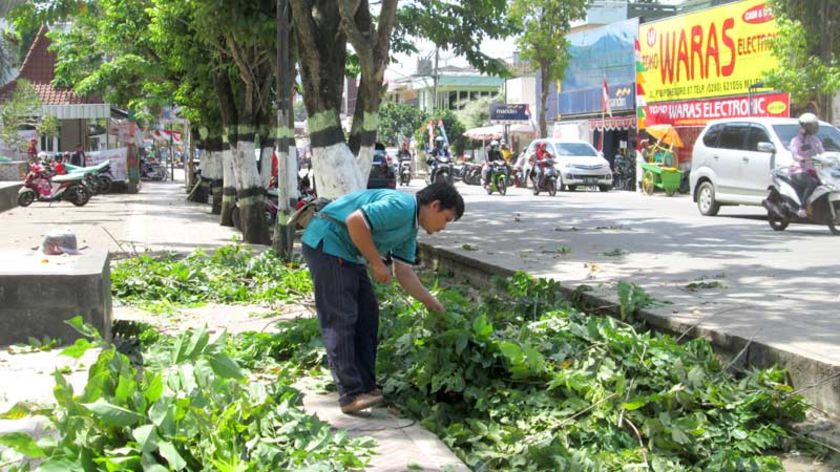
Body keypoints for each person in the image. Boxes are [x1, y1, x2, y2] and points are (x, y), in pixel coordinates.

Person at [301, 182, 465, 414]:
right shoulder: (401, 206)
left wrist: (433, 304)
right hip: (328, 245)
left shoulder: (410, 228)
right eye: (446, 219)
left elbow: (404, 272)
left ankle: (366, 387)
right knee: (341, 318)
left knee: (368, 317)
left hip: (348, 254)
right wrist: (377, 263)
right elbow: (355, 221)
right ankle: (350, 394)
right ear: (435, 205)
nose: (444, 227)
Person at [789, 112, 824, 217]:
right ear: (803, 126)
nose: (813, 127)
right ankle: (803, 207)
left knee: (825, 183)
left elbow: (821, 152)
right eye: (810, 125)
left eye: (814, 125)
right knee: (811, 183)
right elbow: (795, 155)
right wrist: (804, 159)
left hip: (814, 167)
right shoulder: (796, 140)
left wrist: (826, 160)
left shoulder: (815, 140)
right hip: (799, 169)